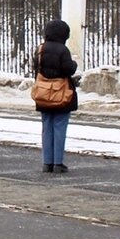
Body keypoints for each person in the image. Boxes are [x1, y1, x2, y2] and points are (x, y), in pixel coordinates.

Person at [34, 18, 79, 173]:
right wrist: (74, 65)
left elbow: (37, 69)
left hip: (43, 94)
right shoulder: (62, 50)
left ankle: (47, 163)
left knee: (46, 127)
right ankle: (58, 163)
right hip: (61, 93)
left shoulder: (40, 49)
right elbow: (68, 69)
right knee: (59, 127)